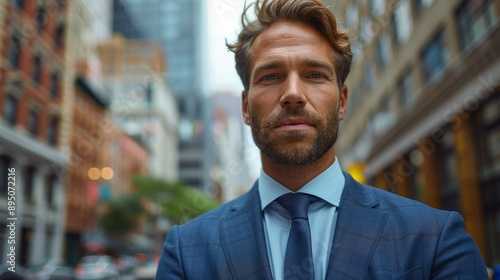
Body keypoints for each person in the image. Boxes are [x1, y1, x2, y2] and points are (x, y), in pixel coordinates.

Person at [156, 0, 488, 279]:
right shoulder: (186, 251)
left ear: (342, 102)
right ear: (245, 107)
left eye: (315, 75)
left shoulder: (436, 239)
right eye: (271, 76)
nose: (292, 94)